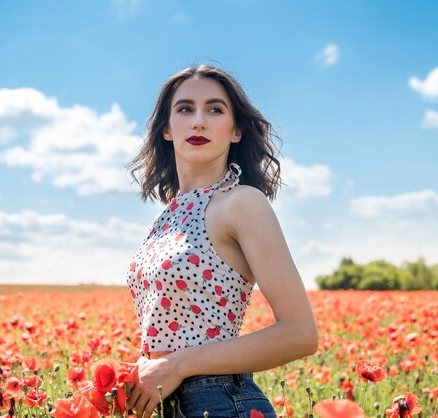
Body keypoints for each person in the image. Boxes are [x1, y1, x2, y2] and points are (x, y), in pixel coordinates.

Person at [124, 64, 318, 418]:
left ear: (236, 131)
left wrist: (176, 366)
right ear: (167, 130)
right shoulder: (166, 218)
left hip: (221, 401)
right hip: (168, 403)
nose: (199, 121)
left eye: (215, 110)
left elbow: (301, 333)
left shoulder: (241, 203)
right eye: (185, 109)